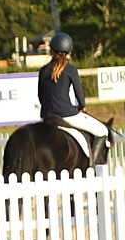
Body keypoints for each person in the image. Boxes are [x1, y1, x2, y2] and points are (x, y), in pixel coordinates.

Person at [37, 32, 109, 165]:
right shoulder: (70, 70)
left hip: (47, 115)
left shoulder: (43, 71)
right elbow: (79, 94)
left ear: (52, 50)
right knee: (102, 130)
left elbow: (41, 96)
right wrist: (82, 106)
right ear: (68, 50)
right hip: (66, 114)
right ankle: (92, 164)